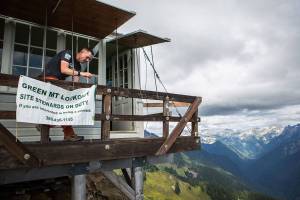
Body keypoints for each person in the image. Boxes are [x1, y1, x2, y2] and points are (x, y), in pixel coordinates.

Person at [40, 48, 94, 141]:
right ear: (82, 52)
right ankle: (68, 134)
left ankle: (47, 129)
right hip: (48, 79)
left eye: (90, 60)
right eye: (87, 57)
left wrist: (77, 94)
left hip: (58, 83)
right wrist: (82, 74)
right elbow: (64, 69)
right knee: (61, 107)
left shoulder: (78, 67)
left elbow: (75, 83)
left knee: (63, 108)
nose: (87, 60)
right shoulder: (68, 53)